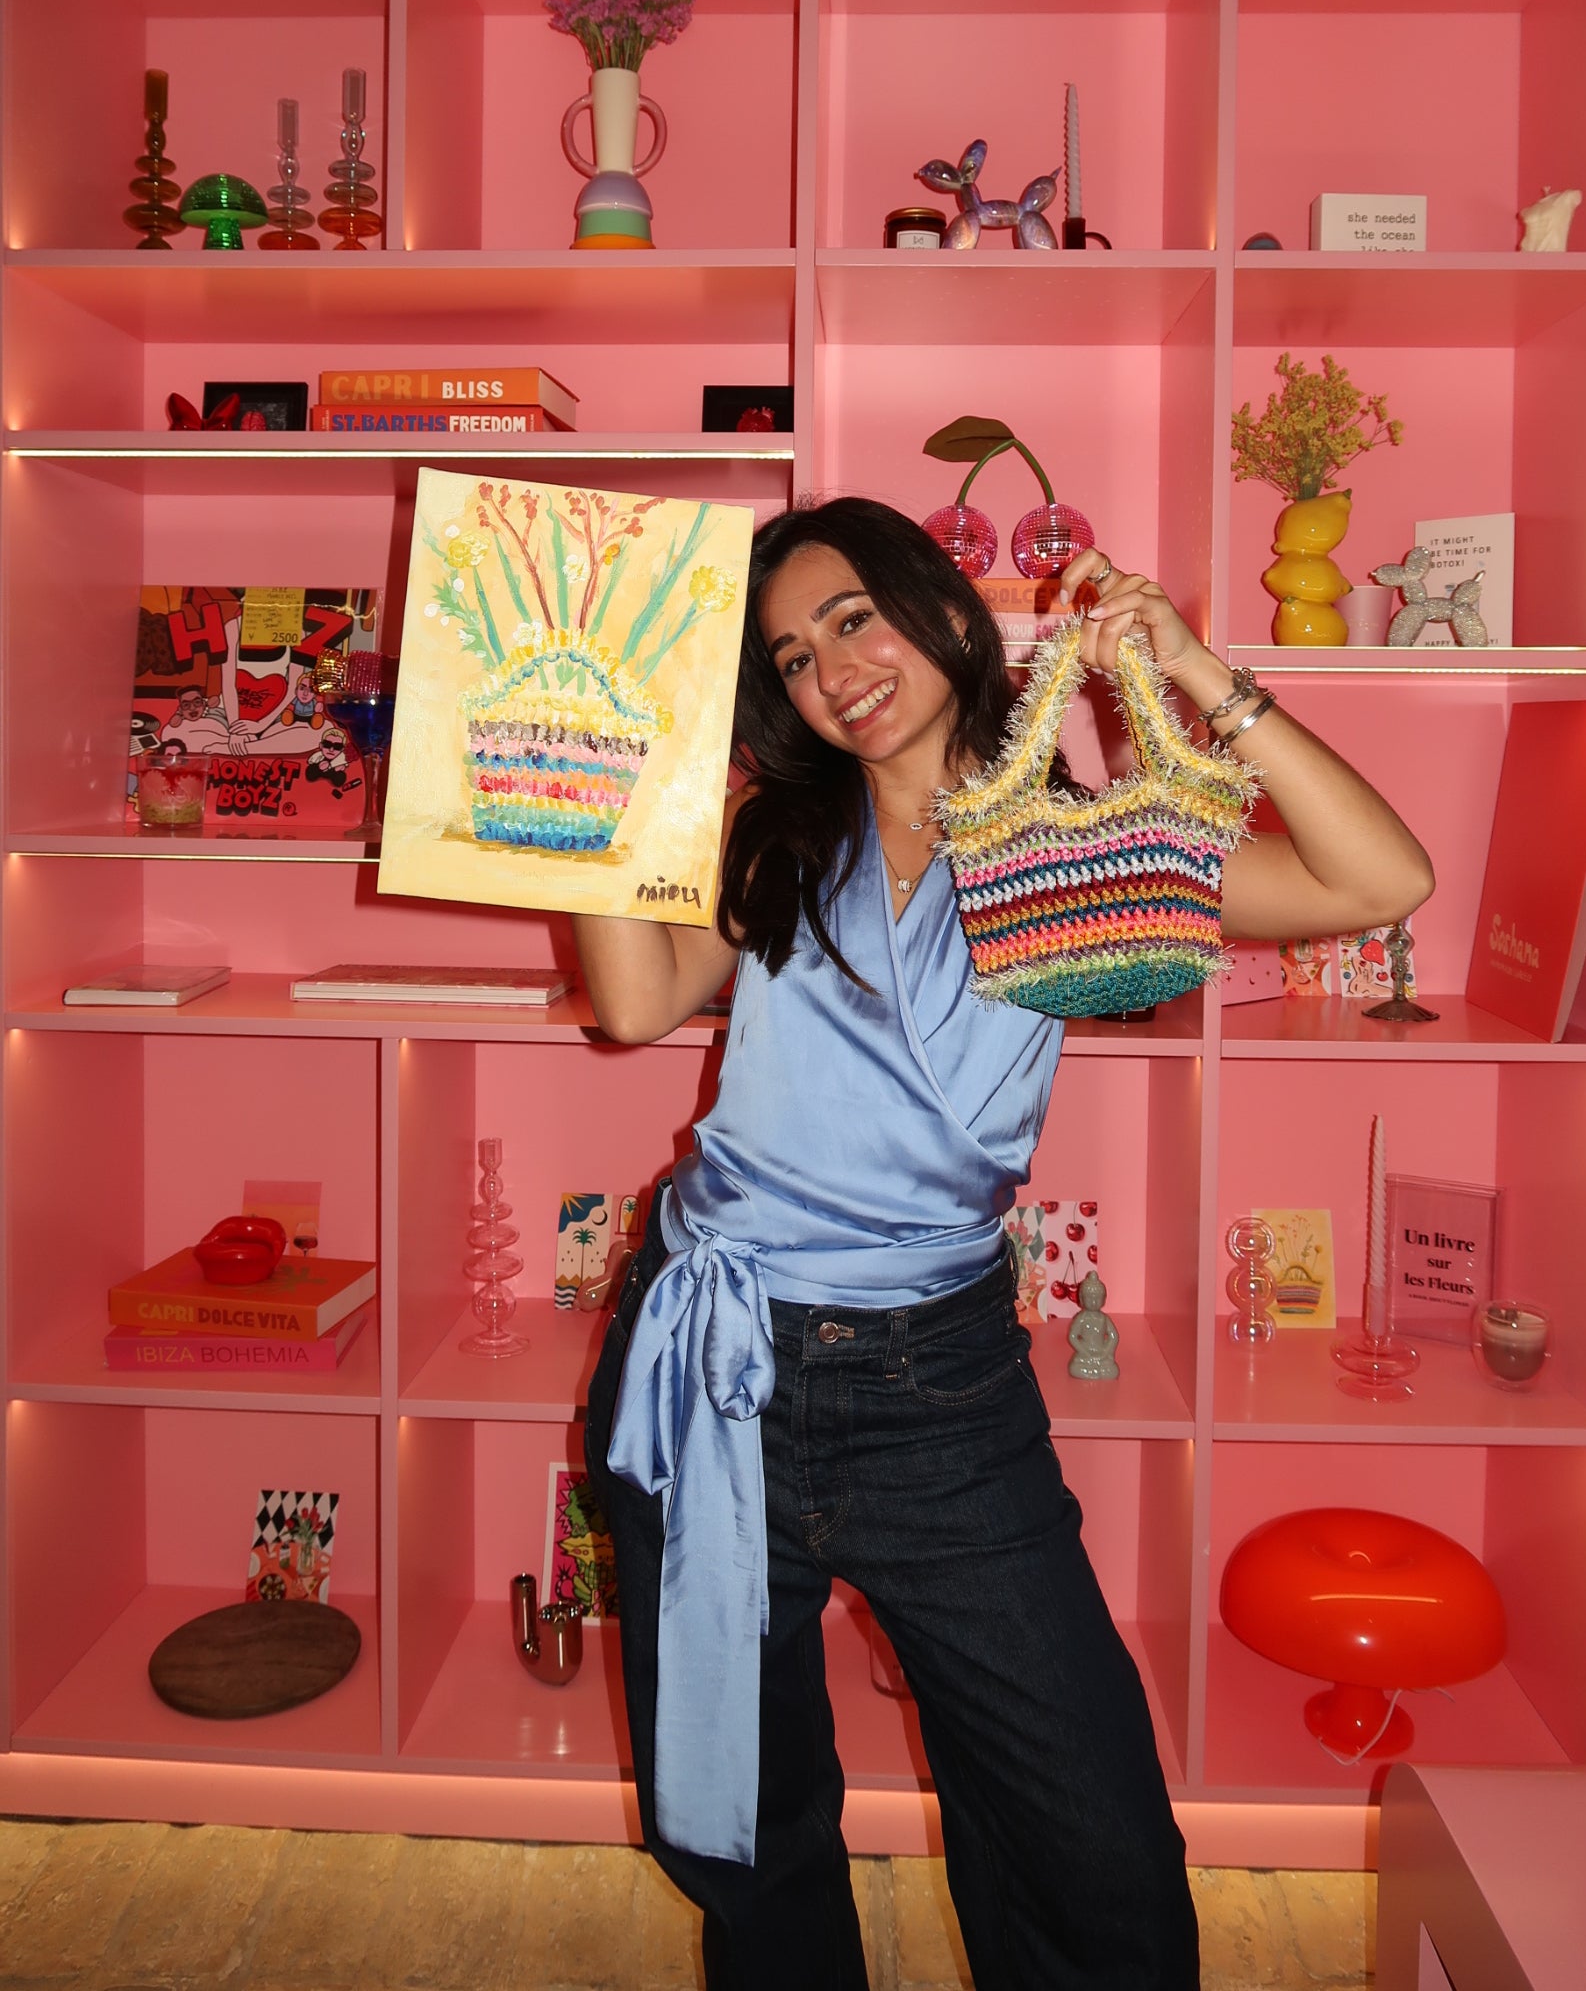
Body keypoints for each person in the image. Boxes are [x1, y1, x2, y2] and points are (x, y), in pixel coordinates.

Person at [574, 498, 1433, 1991]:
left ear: (946, 611)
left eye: (853, 618)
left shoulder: (1076, 846)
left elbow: (1380, 881)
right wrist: (573, 811)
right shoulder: (780, 834)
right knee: (748, 1818)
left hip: (937, 1389)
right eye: (792, 656)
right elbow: (638, 1005)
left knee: (1086, 1832)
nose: (832, 670)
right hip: (711, 1352)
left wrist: (1196, 672)